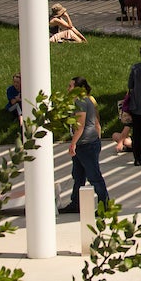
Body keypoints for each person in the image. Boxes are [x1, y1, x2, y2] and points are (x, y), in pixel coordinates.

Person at [59, 76, 110, 214]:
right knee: (78, 175)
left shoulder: (81, 102)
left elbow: (80, 126)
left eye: (70, 86)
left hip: (85, 144)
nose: (68, 89)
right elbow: (96, 122)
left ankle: (104, 205)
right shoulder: (85, 100)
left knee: (94, 176)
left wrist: (73, 144)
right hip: (87, 143)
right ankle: (76, 203)